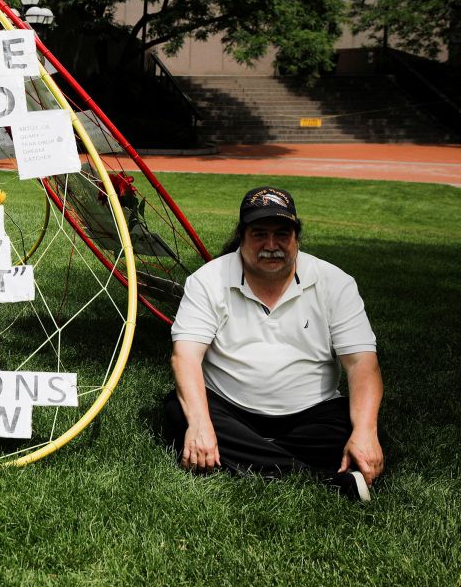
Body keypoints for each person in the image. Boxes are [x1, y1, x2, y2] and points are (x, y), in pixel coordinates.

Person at [162, 186, 384, 501]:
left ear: (297, 238)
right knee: (179, 412)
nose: (271, 245)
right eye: (259, 234)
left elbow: (362, 363)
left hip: (312, 413)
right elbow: (184, 357)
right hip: (229, 409)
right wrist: (200, 424)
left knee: (357, 428)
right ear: (242, 236)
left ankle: (248, 458)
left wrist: (365, 432)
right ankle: (325, 479)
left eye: (282, 234)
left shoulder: (336, 282)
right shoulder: (207, 280)